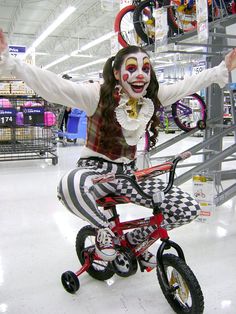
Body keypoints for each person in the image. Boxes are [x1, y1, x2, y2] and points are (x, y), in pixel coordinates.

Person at [1, 28, 236, 267]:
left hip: (129, 174)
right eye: (132, 68)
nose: (140, 75)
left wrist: (220, 70)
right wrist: (13, 64)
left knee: (187, 208)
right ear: (117, 73)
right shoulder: (96, 95)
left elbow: (187, 85)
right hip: (94, 171)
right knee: (69, 184)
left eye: (146, 68)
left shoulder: (151, 99)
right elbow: (55, 86)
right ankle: (105, 232)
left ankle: (133, 242)